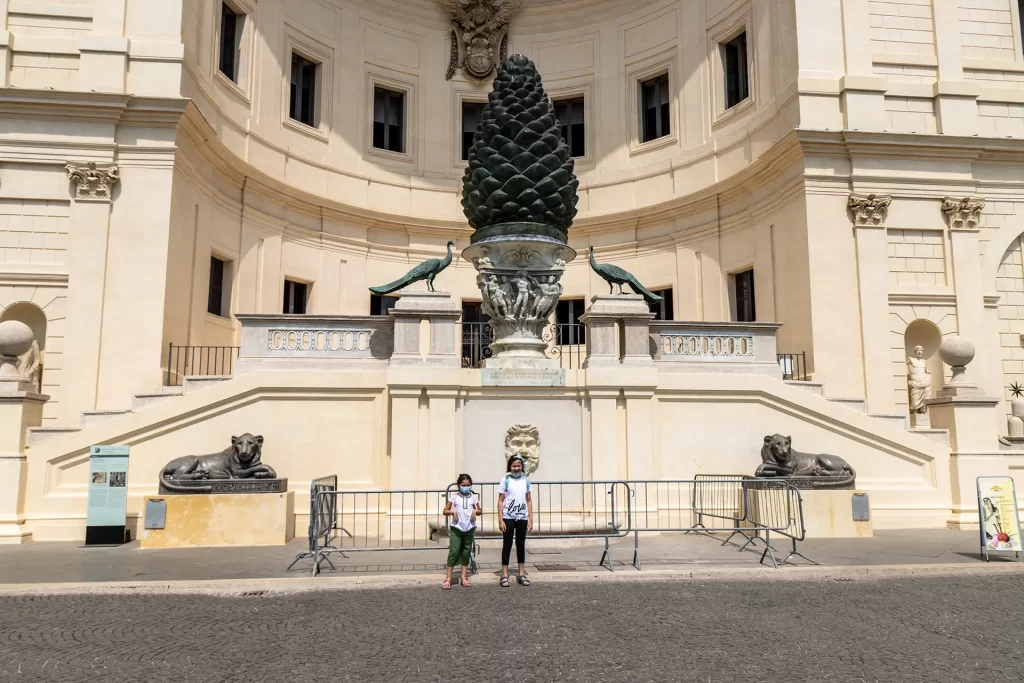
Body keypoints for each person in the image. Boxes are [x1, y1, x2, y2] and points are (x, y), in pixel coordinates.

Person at [497, 455, 533, 587]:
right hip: (508, 516)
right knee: (507, 544)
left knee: (521, 544)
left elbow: (529, 500)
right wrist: (500, 520)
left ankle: (521, 574)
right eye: (514, 466)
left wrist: (531, 519)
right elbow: (500, 501)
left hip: (522, 516)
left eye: (518, 466)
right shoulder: (505, 480)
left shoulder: (526, 480)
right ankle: (504, 574)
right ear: (510, 466)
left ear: (522, 467)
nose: (516, 468)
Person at [442, 473, 480, 590]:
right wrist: (453, 512)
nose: (466, 487)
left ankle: (464, 577)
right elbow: (445, 510)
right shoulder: (454, 497)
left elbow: (479, 510)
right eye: (463, 485)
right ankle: (448, 578)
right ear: (459, 485)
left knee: (466, 552)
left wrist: (475, 511)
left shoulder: (473, 497)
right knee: (454, 552)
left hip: (469, 528)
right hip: (457, 528)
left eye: (468, 485)